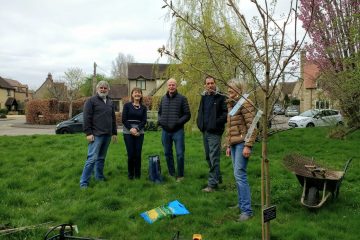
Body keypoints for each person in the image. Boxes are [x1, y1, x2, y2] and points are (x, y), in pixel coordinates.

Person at [225, 79, 257, 221]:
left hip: (242, 144)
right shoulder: (232, 103)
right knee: (237, 175)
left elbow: (253, 125)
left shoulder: (245, 103)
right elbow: (230, 127)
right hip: (234, 144)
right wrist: (228, 145)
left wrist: (248, 145)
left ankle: (246, 211)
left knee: (240, 175)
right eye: (228, 91)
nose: (229, 93)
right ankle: (241, 204)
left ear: (238, 90)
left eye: (231, 91)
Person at [80, 81, 117, 188]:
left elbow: (112, 118)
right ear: (97, 89)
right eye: (101, 88)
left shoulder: (110, 102)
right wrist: (88, 133)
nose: (103, 89)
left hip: (107, 134)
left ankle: (99, 177)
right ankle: (84, 182)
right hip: (96, 135)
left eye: (105, 88)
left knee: (101, 158)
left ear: (108, 90)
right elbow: (86, 118)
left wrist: (114, 133)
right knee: (91, 159)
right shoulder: (91, 101)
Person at [197, 76, 227, 192]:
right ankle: (217, 177)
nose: (210, 85)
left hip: (215, 132)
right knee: (208, 157)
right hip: (205, 131)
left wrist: (215, 123)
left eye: (212, 83)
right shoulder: (204, 97)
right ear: (205, 85)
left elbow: (225, 114)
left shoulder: (221, 97)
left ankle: (212, 185)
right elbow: (201, 111)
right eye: (208, 83)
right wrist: (200, 124)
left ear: (215, 83)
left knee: (214, 157)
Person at [158, 78, 191, 182]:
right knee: (167, 153)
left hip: (178, 131)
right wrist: (161, 121)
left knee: (180, 154)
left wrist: (177, 122)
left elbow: (187, 115)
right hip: (165, 131)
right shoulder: (163, 99)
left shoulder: (182, 98)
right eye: (169, 85)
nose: (171, 87)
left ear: (176, 86)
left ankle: (180, 175)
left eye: (173, 85)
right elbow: (159, 113)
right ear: (167, 86)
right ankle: (171, 173)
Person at [122, 87, 147, 179]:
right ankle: (130, 174)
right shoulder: (127, 106)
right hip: (128, 132)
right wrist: (131, 129)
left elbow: (144, 121)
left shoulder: (144, 107)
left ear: (141, 95)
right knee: (131, 154)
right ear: (132, 95)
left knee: (138, 154)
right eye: (135, 92)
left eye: (139, 93)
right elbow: (124, 119)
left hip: (139, 132)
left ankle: (138, 174)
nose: (137, 94)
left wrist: (136, 129)